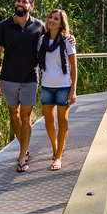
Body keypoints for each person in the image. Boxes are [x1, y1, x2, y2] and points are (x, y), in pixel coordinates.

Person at [0, 0, 43, 172]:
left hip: (30, 78)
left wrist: (70, 37)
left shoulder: (39, 26)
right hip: (8, 78)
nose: (20, 4)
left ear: (31, 6)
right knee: (14, 114)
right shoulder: (3, 26)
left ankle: (22, 157)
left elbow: (55, 38)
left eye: (24, 2)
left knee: (26, 116)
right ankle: (25, 147)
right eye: (18, 1)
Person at [37, 9, 77, 171]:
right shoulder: (41, 40)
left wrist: (73, 90)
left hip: (63, 86)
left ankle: (59, 157)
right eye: (50, 17)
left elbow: (74, 67)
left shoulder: (67, 41)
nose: (52, 21)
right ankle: (55, 148)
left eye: (56, 19)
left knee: (63, 121)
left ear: (61, 23)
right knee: (48, 122)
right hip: (47, 86)